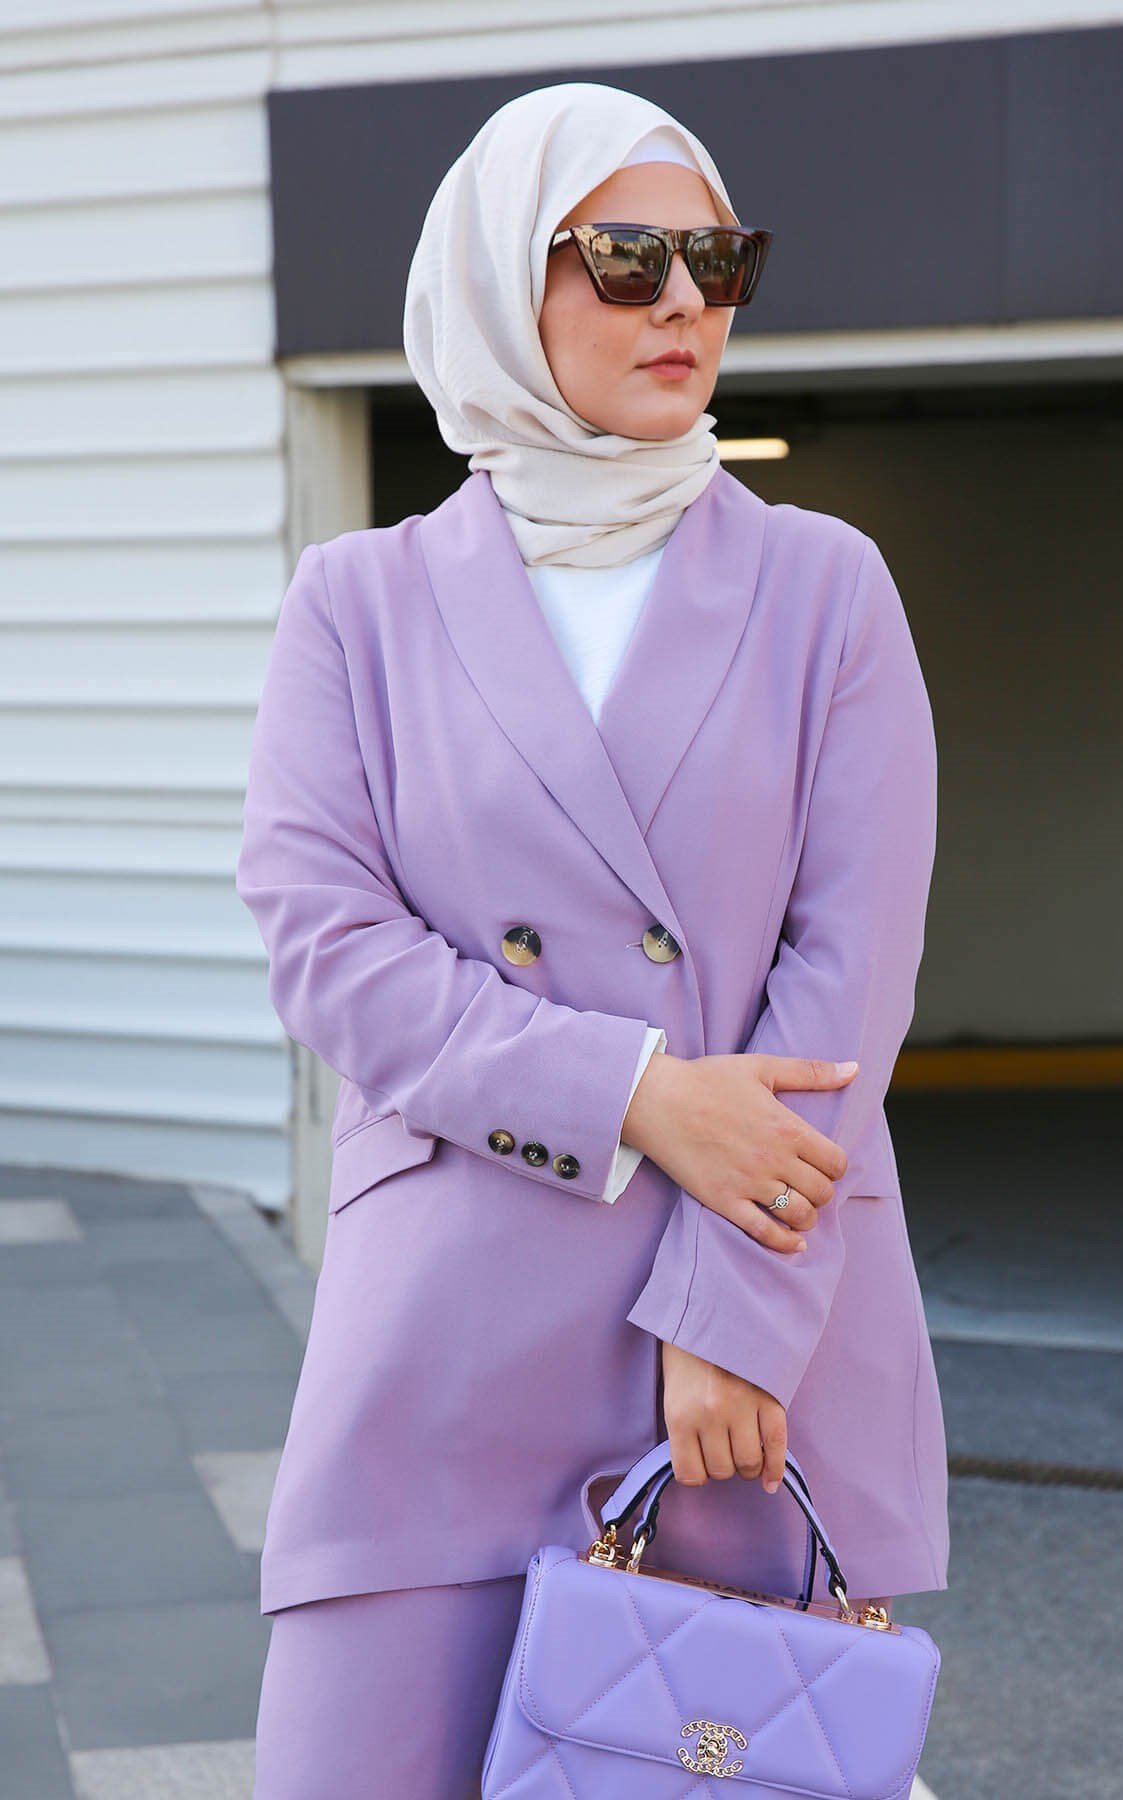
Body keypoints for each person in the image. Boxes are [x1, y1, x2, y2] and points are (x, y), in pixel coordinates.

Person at [242, 80, 949, 1799]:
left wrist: (733, 1314)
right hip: (444, 1344)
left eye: (720, 259)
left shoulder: (825, 587)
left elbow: (848, 977)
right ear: (505, 277)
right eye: (628, 258)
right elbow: (325, 941)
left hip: (740, 1349)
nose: (685, 300)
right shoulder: (359, 603)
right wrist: (632, 1091)